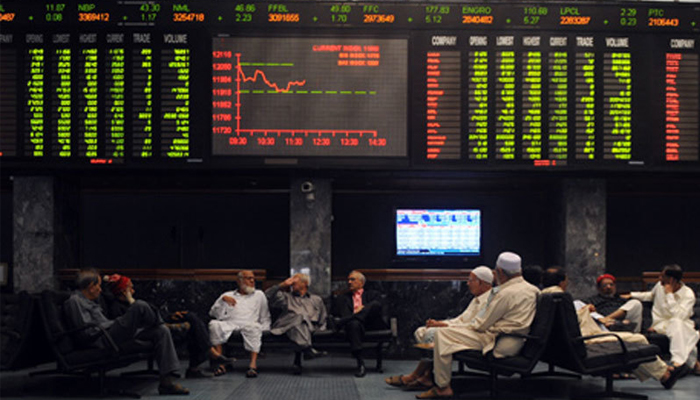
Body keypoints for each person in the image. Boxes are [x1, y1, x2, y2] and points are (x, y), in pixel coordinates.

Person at [417, 252, 540, 399]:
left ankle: (442, 387)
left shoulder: (504, 293)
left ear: (499, 272)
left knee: (442, 334)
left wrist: (449, 328)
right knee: (445, 335)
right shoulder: (534, 290)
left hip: (499, 341)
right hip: (519, 340)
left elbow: (482, 325)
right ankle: (429, 376)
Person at [541, 267, 686, 389]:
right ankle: (665, 375)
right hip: (588, 338)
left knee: (634, 337)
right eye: (566, 280)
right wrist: (587, 312)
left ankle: (663, 372)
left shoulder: (545, 296)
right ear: (561, 282)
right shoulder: (563, 298)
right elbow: (573, 322)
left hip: (572, 343)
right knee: (639, 339)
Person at [63, 269, 189, 395]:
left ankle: (166, 383)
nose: (100, 289)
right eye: (98, 286)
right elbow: (87, 333)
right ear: (91, 287)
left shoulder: (92, 300)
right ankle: (162, 322)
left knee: (161, 331)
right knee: (138, 306)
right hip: (102, 339)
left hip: (110, 332)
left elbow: (109, 297)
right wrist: (114, 323)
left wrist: (108, 280)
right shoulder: (74, 301)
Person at [384, 266, 493, 391]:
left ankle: (415, 375)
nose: (467, 284)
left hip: (474, 335)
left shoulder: (490, 301)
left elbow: (475, 325)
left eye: (471, 280)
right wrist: (440, 322)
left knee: (433, 334)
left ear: (483, 283)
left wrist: (443, 326)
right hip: (459, 331)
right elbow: (460, 319)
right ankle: (427, 376)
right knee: (421, 331)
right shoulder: (476, 299)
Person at [105, 273, 228, 379]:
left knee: (190, 317)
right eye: (130, 288)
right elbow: (131, 327)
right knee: (183, 329)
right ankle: (206, 357)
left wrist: (169, 316)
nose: (134, 290)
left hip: (155, 324)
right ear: (123, 291)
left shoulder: (133, 303)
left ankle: (206, 356)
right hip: (144, 333)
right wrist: (132, 302)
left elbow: (152, 314)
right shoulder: (118, 307)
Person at [624, 264, 700, 373]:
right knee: (687, 334)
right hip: (661, 325)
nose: (659, 279)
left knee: (677, 324)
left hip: (680, 324)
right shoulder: (659, 286)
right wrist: (631, 295)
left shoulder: (688, 294)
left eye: (662, 276)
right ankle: (693, 363)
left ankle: (677, 361)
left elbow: (679, 316)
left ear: (671, 279)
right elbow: (650, 295)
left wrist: (670, 295)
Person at [208, 270, 271, 378]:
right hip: (230, 324)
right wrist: (222, 301)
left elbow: (264, 315)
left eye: (253, 278)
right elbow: (213, 313)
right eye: (248, 278)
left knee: (254, 327)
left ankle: (252, 365)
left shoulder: (259, 295)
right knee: (214, 325)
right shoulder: (227, 295)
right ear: (239, 281)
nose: (252, 281)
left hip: (249, 324)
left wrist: (266, 328)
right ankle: (221, 363)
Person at [265, 273, 328, 373]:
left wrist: (320, 329)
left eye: (294, 282)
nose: (291, 284)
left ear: (305, 283)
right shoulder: (286, 297)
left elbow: (322, 316)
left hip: (308, 327)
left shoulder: (316, 299)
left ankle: (300, 358)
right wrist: (282, 285)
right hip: (286, 326)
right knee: (300, 316)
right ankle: (307, 350)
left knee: (300, 324)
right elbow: (267, 295)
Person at [332, 270, 387, 377]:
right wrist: (355, 317)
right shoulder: (343, 298)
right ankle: (360, 363)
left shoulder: (373, 295)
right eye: (348, 280)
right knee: (354, 324)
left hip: (371, 324)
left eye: (352, 279)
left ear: (361, 283)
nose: (349, 282)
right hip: (355, 326)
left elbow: (377, 309)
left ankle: (348, 320)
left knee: (374, 304)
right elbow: (344, 314)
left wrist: (363, 309)